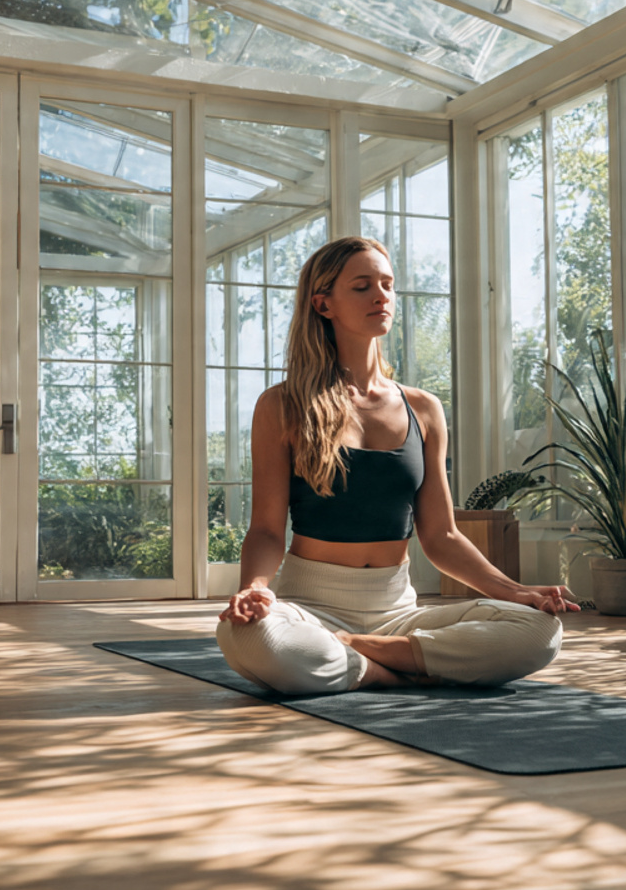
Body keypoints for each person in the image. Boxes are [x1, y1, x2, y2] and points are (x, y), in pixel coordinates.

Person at [216, 236, 579, 694]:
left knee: (540, 631)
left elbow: (442, 536)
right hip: (311, 603)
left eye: (387, 284)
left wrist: (515, 591)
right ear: (323, 304)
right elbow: (267, 530)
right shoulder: (283, 405)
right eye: (363, 286)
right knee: (243, 636)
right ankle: (394, 667)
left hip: (398, 610)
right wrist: (255, 588)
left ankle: (354, 653)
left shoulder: (423, 409)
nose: (381, 295)